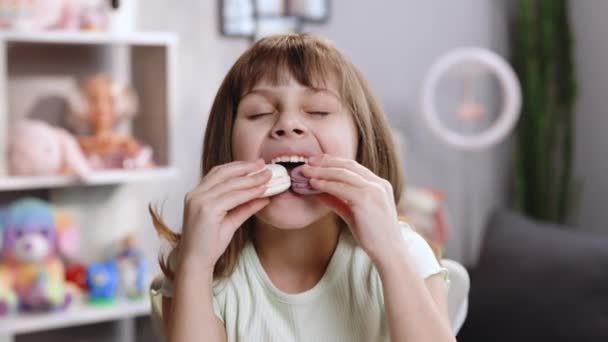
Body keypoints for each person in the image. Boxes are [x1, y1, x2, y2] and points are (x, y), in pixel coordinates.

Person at [150, 33, 455, 342]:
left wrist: (391, 254)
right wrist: (196, 264)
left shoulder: (402, 252)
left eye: (318, 111)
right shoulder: (198, 265)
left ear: (361, 142)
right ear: (226, 146)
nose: (288, 123)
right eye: (259, 113)